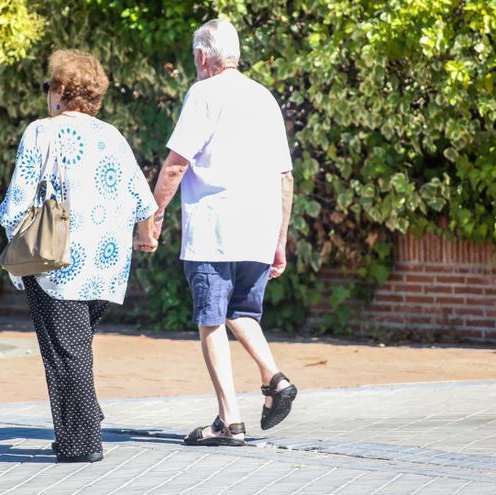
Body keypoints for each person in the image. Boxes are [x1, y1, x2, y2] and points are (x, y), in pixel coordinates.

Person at [0, 49, 158, 463]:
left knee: (64, 352)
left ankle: (82, 443)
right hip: (108, 264)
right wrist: (145, 239)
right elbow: (144, 200)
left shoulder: (41, 132)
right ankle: (83, 418)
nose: (46, 94)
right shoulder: (112, 135)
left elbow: (17, 202)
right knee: (74, 346)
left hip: (58, 261)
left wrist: (14, 243)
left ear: (61, 91)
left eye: (49, 86)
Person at [151, 19, 297, 446]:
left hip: (214, 229)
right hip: (259, 227)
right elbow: (284, 176)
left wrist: (153, 215)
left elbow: (177, 163)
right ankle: (275, 380)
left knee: (211, 319)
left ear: (202, 57)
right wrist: (280, 239)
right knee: (241, 313)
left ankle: (229, 421)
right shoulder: (264, 97)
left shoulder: (204, 93)